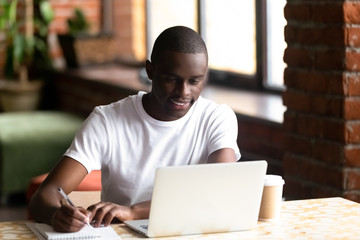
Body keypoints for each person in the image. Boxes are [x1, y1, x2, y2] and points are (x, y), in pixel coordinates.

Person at [29, 26, 241, 232]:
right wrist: (56, 215)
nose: (183, 92)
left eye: (194, 81)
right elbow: (44, 196)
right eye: (171, 79)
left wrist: (133, 211)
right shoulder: (107, 121)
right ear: (150, 70)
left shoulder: (217, 118)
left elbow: (220, 191)